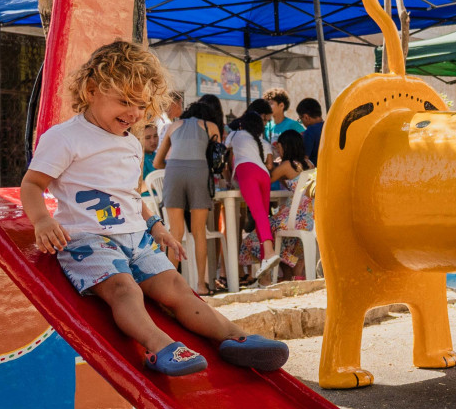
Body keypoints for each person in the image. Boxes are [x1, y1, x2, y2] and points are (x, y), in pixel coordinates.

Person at [20, 41, 286, 374]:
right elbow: (31, 184)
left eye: (141, 105)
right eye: (125, 101)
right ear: (91, 90)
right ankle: (161, 346)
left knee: (176, 287)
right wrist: (42, 220)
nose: (133, 113)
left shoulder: (132, 143)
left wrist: (156, 226)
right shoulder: (66, 138)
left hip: (135, 236)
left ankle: (235, 339)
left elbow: (131, 195)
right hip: (89, 240)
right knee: (124, 288)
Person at [155, 93, 224, 294]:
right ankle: (201, 285)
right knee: (199, 231)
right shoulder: (211, 127)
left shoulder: (173, 126)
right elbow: (218, 159)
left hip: (173, 172)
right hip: (199, 172)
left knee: (175, 233)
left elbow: (158, 162)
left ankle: (169, 286)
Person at [227, 109, 275, 264]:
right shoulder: (263, 142)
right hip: (264, 175)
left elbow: (224, 152)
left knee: (258, 214)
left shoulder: (235, 135)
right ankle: (266, 269)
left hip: (247, 172)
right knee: (263, 217)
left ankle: (269, 253)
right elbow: (269, 164)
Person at [296, 97, 325, 163]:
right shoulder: (328, 126)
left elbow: (305, 158)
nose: (302, 122)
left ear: (306, 117)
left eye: (300, 119)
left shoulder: (309, 132)